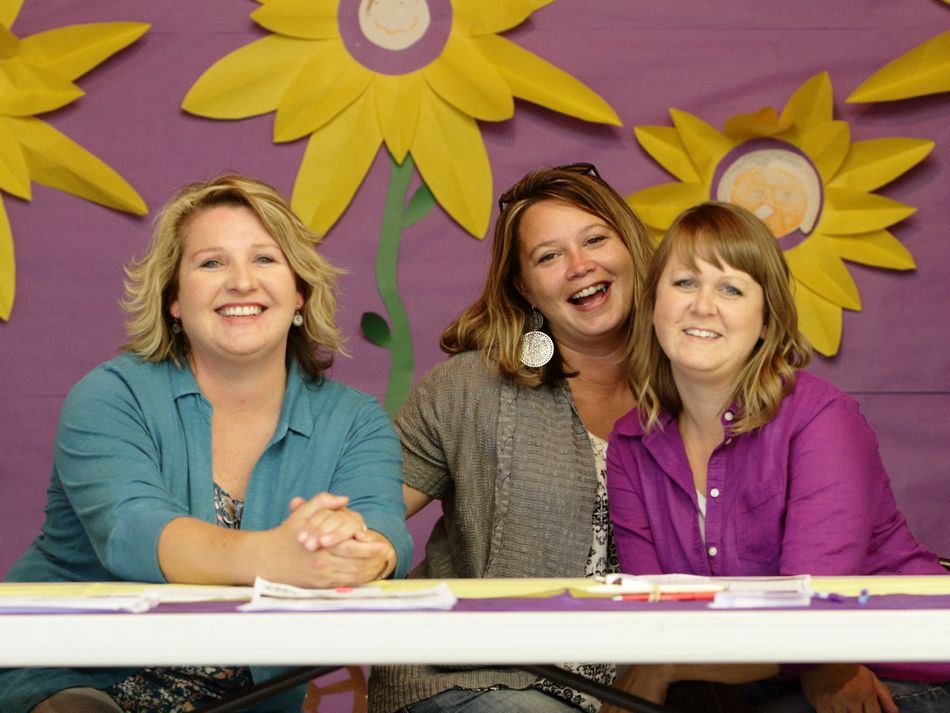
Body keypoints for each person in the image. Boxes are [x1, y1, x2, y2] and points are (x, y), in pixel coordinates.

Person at [1, 174, 413, 713]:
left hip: (250, 701)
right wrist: (274, 557)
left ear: (300, 294)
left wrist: (358, 550)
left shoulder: (356, 420)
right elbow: (132, 533)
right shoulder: (110, 394)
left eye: (265, 260)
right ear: (174, 299)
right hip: (73, 683)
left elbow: (384, 528)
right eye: (211, 263)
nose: (241, 282)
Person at [606, 201, 950, 712]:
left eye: (731, 289)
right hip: (762, 679)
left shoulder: (821, 418)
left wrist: (664, 666)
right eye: (684, 283)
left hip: (902, 668)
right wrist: (660, 660)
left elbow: (807, 620)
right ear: (654, 302)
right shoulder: (630, 445)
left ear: (766, 322)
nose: (702, 305)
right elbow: (651, 618)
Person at [368, 164, 655, 713]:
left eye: (595, 239)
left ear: (632, 248)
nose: (580, 266)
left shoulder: (691, 384)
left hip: (636, 691)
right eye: (549, 256)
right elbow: (366, 511)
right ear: (524, 287)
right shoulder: (471, 386)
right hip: (469, 681)